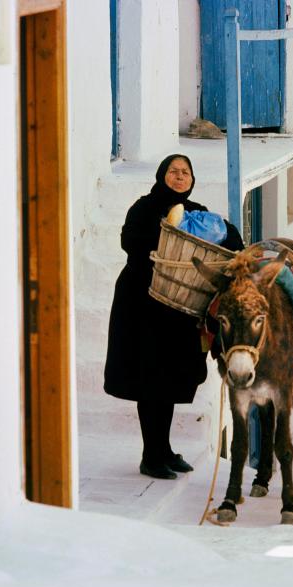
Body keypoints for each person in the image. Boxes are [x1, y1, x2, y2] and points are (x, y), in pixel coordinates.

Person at [104, 154, 244, 479]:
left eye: (185, 172)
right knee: (149, 379)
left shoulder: (198, 213)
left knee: (168, 380)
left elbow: (231, 239)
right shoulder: (144, 208)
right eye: (173, 171)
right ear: (161, 175)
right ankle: (150, 455)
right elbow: (130, 242)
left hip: (178, 307)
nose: (179, 177)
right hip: (142, 304)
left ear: (192, 180)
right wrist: (169, 236)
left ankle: (164, 450)